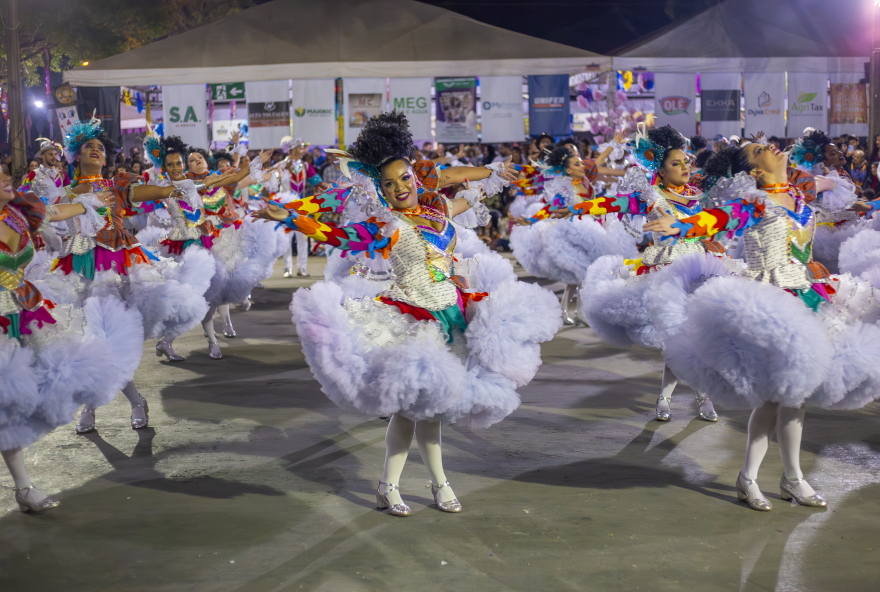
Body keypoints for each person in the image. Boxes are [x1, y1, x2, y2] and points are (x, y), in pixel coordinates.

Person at [254, 111, 561, 516]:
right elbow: (340, 235)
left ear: (417, 178)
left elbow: (472, 193)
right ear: (380, 190)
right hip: (413, 320)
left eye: (405, 179)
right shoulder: (389, 225)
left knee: (433, 409)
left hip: (452, 315)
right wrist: (293, 217)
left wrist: (496, 172)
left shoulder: (438, 213)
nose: (399, 187)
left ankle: (432, 483)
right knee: (408, 411)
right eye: (389, 184)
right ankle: (394, 485)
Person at [644, 141, 880, 511]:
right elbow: (721, 218)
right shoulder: (755, 202)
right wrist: (683, 225)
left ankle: (792, 478)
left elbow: (830, 187)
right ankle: (750, 477)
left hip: (806, 295)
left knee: (797, 396)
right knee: (775, 397)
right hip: (770, 304)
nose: (770, 145)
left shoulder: (800, 197)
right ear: (755, 170)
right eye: (758, 149)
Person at [43, 117, 215, 434]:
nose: (95, 150)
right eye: (88, 147)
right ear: (75, 156)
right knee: (88, 344)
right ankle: (129, 401)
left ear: (107, 158)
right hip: (76, 273)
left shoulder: (118, 185)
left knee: (109, 340)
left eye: (100, 147)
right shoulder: (62, 193)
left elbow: (163, 190)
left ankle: (105, 405)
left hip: (113, 271)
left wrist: (197, 184)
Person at [0, 169, 144, 512]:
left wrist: (88, 204)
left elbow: (56, 211)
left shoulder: (20, 213)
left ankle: (23, 488)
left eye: (5, 172)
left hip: (25, 312)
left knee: (13, 402)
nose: (6, 178)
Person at [570, 124, 727, 422]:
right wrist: (586, 207)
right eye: (676, 163)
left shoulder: (697, 194)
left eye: (686, 161)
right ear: (662, 169)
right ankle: (672, 397)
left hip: (701, 271)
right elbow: (618, 202)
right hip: (668, 273)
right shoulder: (652, 195)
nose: (684, 167)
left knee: (700, 339)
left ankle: (697, 395)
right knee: (676, 340)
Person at [511, 132, 634, 325]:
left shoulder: (586, 179)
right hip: (572, 233)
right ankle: (578, 311)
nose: (583, 165)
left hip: (591, 229)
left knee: (579, 276)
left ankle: (568, 310)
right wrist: (531, 221)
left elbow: (599, 160)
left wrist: (613, 144)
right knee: (583, 274)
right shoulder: (565, 189)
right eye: (577, 164)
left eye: (582, 163)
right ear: (568, 171)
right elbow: (550, 208)